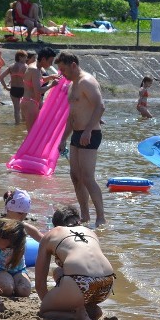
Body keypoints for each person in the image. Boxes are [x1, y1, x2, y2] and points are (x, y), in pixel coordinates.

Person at [34, 205, 115, 320]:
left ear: (56, 225)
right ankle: (89, 310)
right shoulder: (90, 231)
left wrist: (50, 304)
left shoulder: (51, 234)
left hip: (80, 281)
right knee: (59, 272)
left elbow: (40, 282)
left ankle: (76, 317)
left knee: (45, 312)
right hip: (107, 283)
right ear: (78, 220)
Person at [57, 52, 106, 227]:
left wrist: (87, 131)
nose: (62, 74)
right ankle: (85, 215)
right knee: (75, 176)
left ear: (73, 65)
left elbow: (100, 106)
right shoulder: (72, 85)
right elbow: (73, 116)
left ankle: (101, 217)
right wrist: (63, 138)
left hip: (90, 133)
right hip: (77, 133)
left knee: (87, 177)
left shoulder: (86, 81)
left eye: (63, 69)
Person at [0, 189, 43, 297]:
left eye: (25, 214)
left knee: (24, 291)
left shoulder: (24, 227)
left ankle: (14, 280)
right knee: (7, 289)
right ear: (8, 209)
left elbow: (44, 240)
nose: (22, 217)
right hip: (1, 268)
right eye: (19, 213)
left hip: (19, 269)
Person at [22, 47, 59, 131]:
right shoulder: (34, 70)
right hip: (30, 103)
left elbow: (38, 80)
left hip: (30, 102)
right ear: (43, 59)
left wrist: (50, 77)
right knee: (32, 133)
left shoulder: (36, 68)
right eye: (50, 61)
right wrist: (51, 85)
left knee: (35, 132)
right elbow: (38, 90)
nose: (51, 64)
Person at [0, 50, 29, 125]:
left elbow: (1, 77)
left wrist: (5, 86)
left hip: (13, 89)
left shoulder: (11, 66)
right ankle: (24, 124)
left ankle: (17, 124)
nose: (26, 59)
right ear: (20, 57)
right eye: (25, 57)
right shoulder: (26, 67)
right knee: (24, 108)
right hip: (23, 89)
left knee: (16, 109)